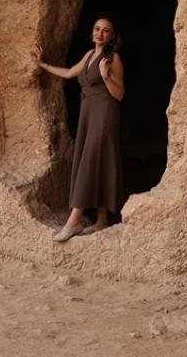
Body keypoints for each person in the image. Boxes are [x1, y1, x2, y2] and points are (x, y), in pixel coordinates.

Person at [33, 14, 126, 242]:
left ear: (112, 36)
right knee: (98, 161)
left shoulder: (113, 58)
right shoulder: (89, 55)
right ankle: (102, 221)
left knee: (90, 161)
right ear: (92, 32)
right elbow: (68, 73)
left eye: (105, 30)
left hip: (104, 113)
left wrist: (105, 77)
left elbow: (120, 94)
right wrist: (42, 64)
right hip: (88, 113)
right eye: (97, 28)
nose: (100, 33)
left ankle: (74, 221)